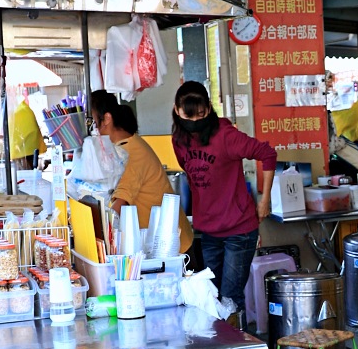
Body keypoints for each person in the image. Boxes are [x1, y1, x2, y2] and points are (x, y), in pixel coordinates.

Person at [171, 80, 277, 312]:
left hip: (239, 230)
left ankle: (241, 345)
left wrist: (264, 200)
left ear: (209, 108)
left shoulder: (226, 136)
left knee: (229, 300)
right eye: (188, 117)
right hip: (208, 231)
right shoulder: (179, 140)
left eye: (201, 115)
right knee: (211, 297)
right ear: (177, 111)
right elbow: (190, 175)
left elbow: (268, 154)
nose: (195, 122)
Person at [90, 90, 193, 254]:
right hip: (155, 242)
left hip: (172, 247)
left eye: (93, 121)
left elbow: (119, 204)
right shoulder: (123, 147)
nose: (92, 129)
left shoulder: (131, 152)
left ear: (106, 119)